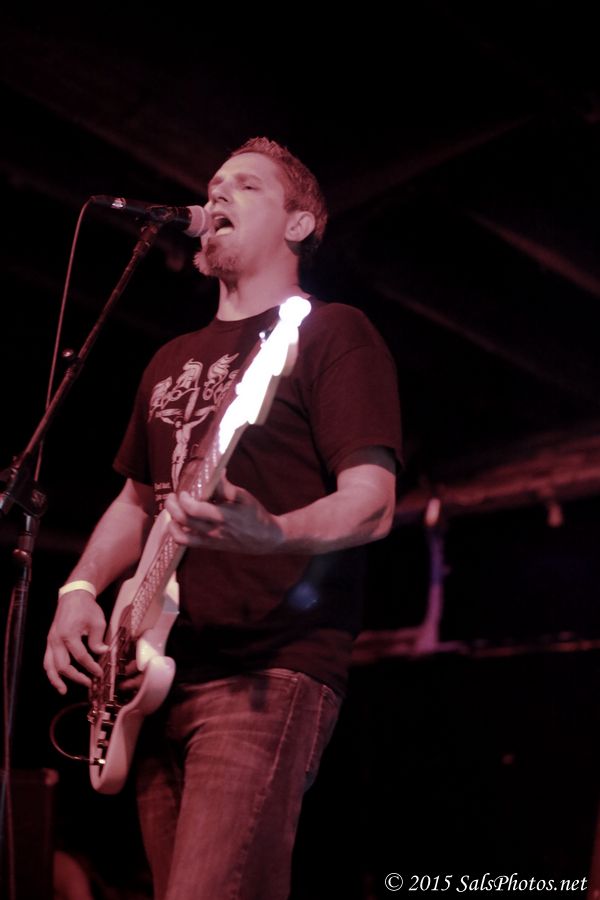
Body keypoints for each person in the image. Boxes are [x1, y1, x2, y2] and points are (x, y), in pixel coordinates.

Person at [44, 137, 403, 900]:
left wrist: (274, 533)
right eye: (214, 185)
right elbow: (137, 501)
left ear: (300, 224)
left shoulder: (329, 332)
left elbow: (372, 501)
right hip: (152, 676)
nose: (217, 196)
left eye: (246, 185)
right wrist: (78, 589)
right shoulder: (168, 359)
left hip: (267, 669)